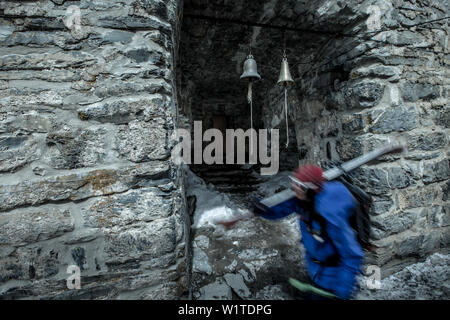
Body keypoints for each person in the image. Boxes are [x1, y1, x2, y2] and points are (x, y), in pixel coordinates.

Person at [252, 164, 364, 300]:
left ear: (312, 189)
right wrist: (263, 208)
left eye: (299, 185)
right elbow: (283, 208)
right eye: (294, 182)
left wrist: (341, 293)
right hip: (315, 269)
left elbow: (352, 255)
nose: (294, 188)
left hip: (333, 278)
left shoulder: (329, 215)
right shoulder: (303, 198)